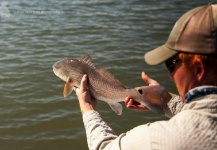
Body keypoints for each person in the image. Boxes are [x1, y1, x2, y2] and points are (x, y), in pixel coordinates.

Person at [73, 4, 217, 150]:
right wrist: (167, 102)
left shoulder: (159, 139)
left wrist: (87, 108)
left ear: (199, 69)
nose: (170, 75)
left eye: (171, 64)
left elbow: (103, 147)